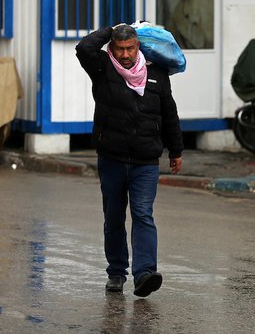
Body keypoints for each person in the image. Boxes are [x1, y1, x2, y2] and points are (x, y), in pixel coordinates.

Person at [76, 24, 183, 297]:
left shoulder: (157, 74)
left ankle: (144, 274)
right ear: (111, 48)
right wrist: (110, 29)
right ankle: (116, 272)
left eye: (130, 48)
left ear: (138, 47)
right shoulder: (102, 68)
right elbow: (84, 48)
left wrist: (176, 150)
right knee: (113, 217)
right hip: (111, 158)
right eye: (120, 49)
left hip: (146, 161)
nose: (125, 55)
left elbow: (169, 113)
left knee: (143, 214)